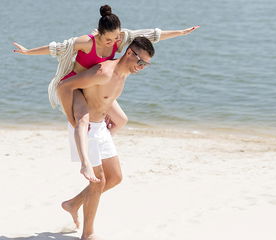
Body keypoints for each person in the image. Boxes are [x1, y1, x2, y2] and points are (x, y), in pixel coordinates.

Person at [13, 4, 200, 182]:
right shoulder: (86, 42)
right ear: (98, 34)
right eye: (108, 40)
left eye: (116, 38)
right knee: (81, 120)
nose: (113, 43)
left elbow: (150, 35)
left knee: (121, 120)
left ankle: (99, 144)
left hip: (96, 84)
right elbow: (58, 48)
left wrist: (180, 32)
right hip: (76, 84)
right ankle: (86, 160)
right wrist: (28, 52)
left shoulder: (119, 39)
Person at [57, 36, 154, 240]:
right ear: (129, 53)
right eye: (140, 61)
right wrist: (72, 119)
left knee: (115, 177)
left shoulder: (124, 72)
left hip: (100, 126)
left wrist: (114, 116)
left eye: (146, 64)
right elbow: (64, 87)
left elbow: (104, 97)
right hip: (86, 126)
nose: (142, 67)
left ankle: (73, 203)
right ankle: (88, 234)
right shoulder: (103, 72)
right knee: (98, 181)